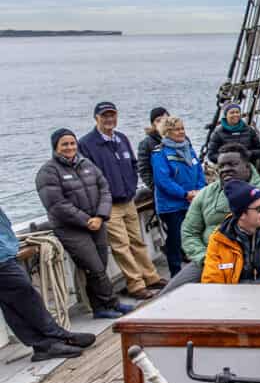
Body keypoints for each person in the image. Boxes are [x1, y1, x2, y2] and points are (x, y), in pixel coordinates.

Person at [165, 142, 260, 293]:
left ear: (247, 167)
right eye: (221, 166)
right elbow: (189, 232)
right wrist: (204, 257)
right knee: (168, 296)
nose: (226, 169)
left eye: (232, 164)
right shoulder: (205, 195)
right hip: (210, 258)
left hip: (252, 262)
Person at [36, 129, 128, 317]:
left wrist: (100, 216)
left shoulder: (87, 164)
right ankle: (106, 305)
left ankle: (104, 306)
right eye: (64, 144)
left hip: (97, 222)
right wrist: (86, 221)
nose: (70, 147)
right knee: (93, 266)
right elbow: (57, 205)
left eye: (72, 143)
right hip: (71, 228)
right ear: (56, 147)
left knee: (101, 264)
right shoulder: (48, 172)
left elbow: (104, 189)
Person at [77, 101, 165, 297]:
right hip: (108, 204)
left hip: (128, 200)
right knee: (121, 246)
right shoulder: (87, 144)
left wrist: (132, 185)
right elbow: (87, 176)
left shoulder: (121, 139)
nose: (109, 119)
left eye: (112, 115)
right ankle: (136, 285)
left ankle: (151, 276)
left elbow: (134, 165)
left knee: (138, 241)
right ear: (96, 118)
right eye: (104, 116)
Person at [0, 205, 97, 360]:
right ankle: (54, 338)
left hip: (6, 250)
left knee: (12, 303)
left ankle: (45, 344)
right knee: (24, 294)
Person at [150, 116, 205, 281]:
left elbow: (198, 171)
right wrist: (184, 194)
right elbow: (163, 181)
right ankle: (175, 274)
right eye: (177, 129)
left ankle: (199, 268)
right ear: (167, 132)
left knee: (197, 234)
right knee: (175, 239)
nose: (181, 132)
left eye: (183, 128)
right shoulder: (160, 153)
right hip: (172, 205)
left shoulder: (189, 148)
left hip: (192, 201)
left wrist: (199, 190)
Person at [136, 106, 168, 191]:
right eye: (158, 120)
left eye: (165, 119)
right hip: (162, 190)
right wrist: (156, 188)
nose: (162, 123)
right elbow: (144, 170)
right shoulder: (146, 144)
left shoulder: (180, 138)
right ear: (153, 124)